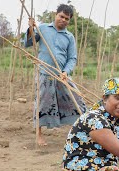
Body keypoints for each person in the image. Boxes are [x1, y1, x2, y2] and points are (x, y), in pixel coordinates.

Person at [24, 4, 86, 146]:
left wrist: (66, 71)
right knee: (41, 102)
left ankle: (77, 133)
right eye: (61, 16)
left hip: (62, 75)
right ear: (55, 14)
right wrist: (31, 29)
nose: (63, 20)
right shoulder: (43, 28)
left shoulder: (69, 37)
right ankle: (39, 134)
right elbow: (28, 43)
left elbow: (72, 58)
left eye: (67, 18)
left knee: (76, 100)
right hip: (44, 73)